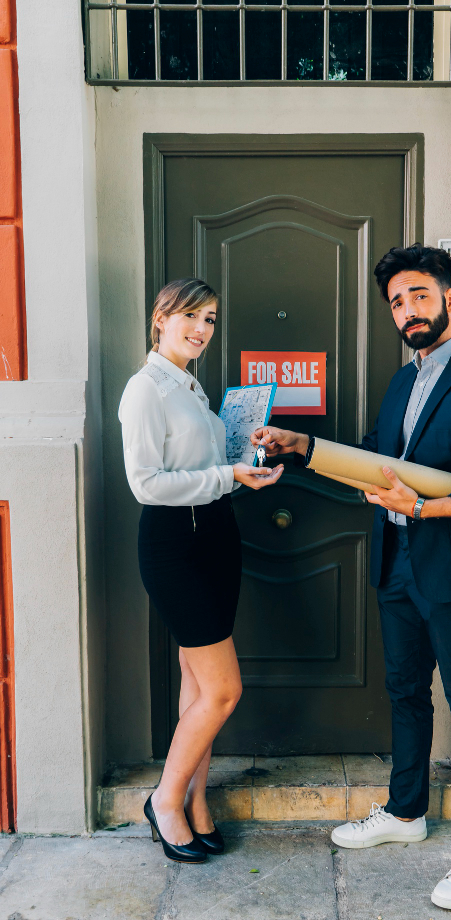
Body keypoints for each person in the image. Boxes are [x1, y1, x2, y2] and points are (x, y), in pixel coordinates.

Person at [251, 244, 451, 909]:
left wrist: (432, 506)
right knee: (406, 691)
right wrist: (301, 451)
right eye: (396, 302)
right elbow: (374, 461)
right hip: (397, 565)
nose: (407, 310)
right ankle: (406, 812)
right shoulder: (401, 381)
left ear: (447, 297)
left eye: (418, 295)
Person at [119, 278, 283, 863]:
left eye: (211, 318)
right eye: (191, 315)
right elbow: (147, 484)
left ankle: (196, 800)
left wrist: (248, 465)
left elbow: (210, 468)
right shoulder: (146, 390)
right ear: (160, 317)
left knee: (197, 686)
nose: (201, 329)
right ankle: (164, 800)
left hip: (214, 534)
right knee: (222, 690)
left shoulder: (193, 389)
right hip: (175, 544)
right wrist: (226, 478)